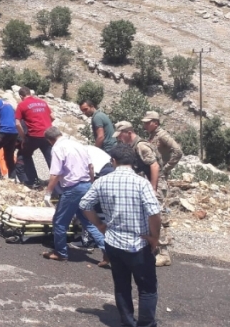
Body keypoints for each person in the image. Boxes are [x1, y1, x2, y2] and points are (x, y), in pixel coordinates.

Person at [80, 143, 162, 327]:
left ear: (113, 161)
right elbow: (154, 213)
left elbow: (85, 205)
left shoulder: (102, 181)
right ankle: (146, 324)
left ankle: (127, 322)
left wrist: (100, 225)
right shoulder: (142, 183)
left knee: (122, 286)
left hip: (113, 242)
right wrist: (154, 238)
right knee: (147, 288)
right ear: (132, 162)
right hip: (138, 244)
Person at [41, 127, 107, 265]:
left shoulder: (58, 148)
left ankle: (60, 252)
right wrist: (91, 184)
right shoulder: (78, 145)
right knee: (88, 221)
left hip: (72, 189)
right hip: (86, 185)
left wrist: (48, 193)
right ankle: (107, 252)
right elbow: (91, 167)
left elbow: (55, 173)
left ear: (50, 140)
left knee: (59, 221)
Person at [114, 120, 171, 267]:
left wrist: (152, 188)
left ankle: (164, 254)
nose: (118, 138)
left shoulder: (141, 146)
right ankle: (153, 248)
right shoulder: (132, 146)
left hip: (155, 185)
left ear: (128, 132)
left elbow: (155, 166)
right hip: (146, 184)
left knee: (157, 215)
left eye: (120, 135)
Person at [15, 86, 54, 188]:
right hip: (48, 135)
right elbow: (52, 117)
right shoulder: (42, 102)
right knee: (51, 158)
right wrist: (45, 126)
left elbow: (17, 123)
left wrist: (23, 137)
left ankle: (33, 181)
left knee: (24, 155)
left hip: (34, 135)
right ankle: (58, 184)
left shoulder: (22, 105)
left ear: (21, 96)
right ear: (30, 93)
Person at [142, 111, 183, 179]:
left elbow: (178, 152)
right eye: (145, 123)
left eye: (148, 123)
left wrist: (165, 169)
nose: (145, 125)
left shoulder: (162, 135)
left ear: (156, 123)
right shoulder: (152, 135)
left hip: (160, 176)